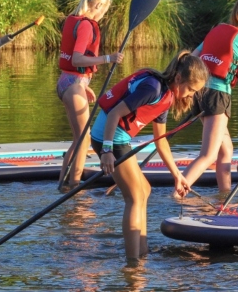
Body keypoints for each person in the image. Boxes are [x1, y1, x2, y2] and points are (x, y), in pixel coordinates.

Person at [90, 50, 209, 260]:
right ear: (179, 78)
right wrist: (106, 151)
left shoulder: (167, 96)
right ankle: (133, 263)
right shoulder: (152, 88)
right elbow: (115, 113)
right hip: (108, 138)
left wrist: (177, 175)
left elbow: (160, 140)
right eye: (191, 89)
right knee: (134, 197)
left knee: (144, 190)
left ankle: (142, 253)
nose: (191, 95)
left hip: (117, 139)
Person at [183, 0, 238, 192]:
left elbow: (192, 58)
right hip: (217, 97)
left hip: (199, 94)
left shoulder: (216, 31)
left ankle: (224, 199)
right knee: (208, 155)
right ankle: (176, 194)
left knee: (225, 150)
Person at [57, 0, 124, 188]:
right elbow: (77, 58)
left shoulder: (73, 19)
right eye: (104, 10)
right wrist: (108, 58)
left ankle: (63, 185)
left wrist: (84, 85)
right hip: (72, 84)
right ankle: (74, 187)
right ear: (98, 5)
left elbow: (73, 63)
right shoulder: (86, 25)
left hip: (69, 82)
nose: (103, 15)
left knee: (79, 139)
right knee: (84, 139)